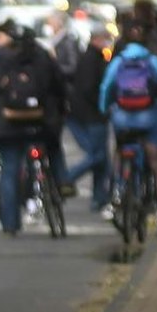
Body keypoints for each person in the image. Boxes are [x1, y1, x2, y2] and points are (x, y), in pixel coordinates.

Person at [0, 19, 69, 236]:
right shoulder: (42, 54)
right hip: (39, 121)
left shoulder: (2, 55)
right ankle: (59, 184)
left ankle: (10, 224)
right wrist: (61, 109)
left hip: (8, 122)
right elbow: (58, 84)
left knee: (10, 171)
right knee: (50, 149)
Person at [100, 23, 157, 234]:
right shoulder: (154, 63)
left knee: (120, 153)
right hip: (150, 119)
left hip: (122, 119)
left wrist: (104, 109)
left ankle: (117, 192)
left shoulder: (117, 62)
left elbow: (106, 88)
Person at [61, 26, 113, 213]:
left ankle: (99, 198)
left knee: (101, 159)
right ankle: (67, 178)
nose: (107, 43)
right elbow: (90, 88)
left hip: (83, 114)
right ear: (97, 39)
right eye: (105, 39)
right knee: (98, 156)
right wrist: (103, 106)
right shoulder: (93, 59)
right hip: (93, 115)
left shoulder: (88, 57)